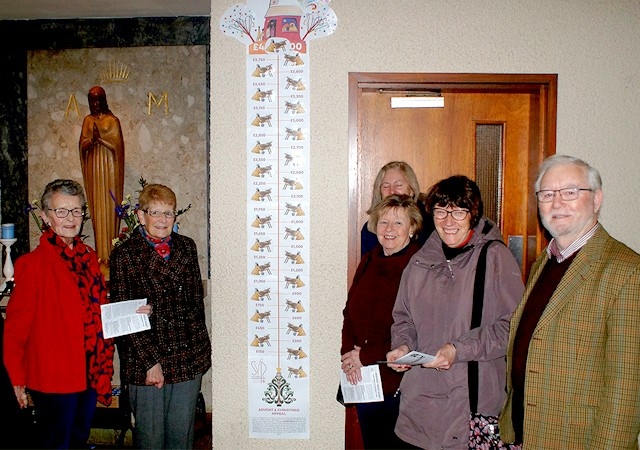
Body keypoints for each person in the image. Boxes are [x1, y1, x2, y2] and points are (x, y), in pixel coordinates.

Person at [499, 155, 640, 449]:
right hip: (532, 433)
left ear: (597, 200)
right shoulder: (544, 263)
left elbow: (627, 387)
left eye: (571, 192)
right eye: (547, 194)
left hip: (579, 440)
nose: (557, 203)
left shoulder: (627, 271)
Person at [386, 175, 524, 449]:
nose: (448, 222)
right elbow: (403, 318)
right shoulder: (419, 261)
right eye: (440, 211)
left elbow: (512, 327)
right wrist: (403, 346)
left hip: (472, 406)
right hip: (420, 406)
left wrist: (457, 350)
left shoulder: (495, 258)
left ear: (473, 215)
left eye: (458, 212)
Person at [3, 179, 138, 448]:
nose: (70, 218)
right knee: (56, 444)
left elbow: (95, 312)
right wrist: (16, 380)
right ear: (45, 217)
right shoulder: (32, 265)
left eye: (76, 211)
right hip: (53, 378)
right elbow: (15, 331)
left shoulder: (89, 257)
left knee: (78, 440)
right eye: (61, 211)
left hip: (88, 371)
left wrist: (134, 312)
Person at [109, 183, 211, 450]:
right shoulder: (124, 255)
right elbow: (124, 316)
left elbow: (193, 306)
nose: (163, 220)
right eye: (155, 212)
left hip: (187, 356)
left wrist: (199, 357)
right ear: (141, 216)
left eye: (168, 213)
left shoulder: (186, 248)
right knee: (151, 439)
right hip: (147, 360)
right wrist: (150, 363)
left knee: (182, 437)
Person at [341, 195, 423, 449]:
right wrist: (348, 357)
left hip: (400, 381)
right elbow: (349, 313)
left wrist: (363, 355)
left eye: (398, 223)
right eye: (383, 222)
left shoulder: (419, 267)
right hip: (364, 379)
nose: (389, 229)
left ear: (412, 228)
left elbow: (418, 327)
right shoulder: (368, 260)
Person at [79, 85, 125, 278]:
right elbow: (82, 145)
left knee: (109, 211)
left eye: (98, 100)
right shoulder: (87, 120)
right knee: (98, 211)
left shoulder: (112, 120)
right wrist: (91, 141)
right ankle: (100, 257)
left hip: (109, 171)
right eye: (92, 100)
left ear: (103, 100)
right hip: (94, 171)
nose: (95, 104)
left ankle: (110, 257)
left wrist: (101, 140)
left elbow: (118, 147)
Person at [361, 161, 434, 255]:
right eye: (386, 186)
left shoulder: (429, 223)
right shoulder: (370, 228)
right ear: (379, 193)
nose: (392, 191)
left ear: (412, 190)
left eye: (398, 185)